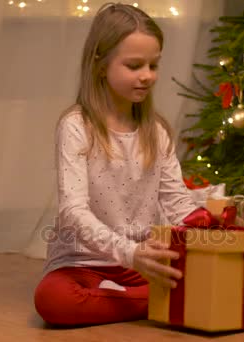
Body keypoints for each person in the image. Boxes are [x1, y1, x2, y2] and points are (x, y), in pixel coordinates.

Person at [34, 2, 199, 327]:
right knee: (53, 300)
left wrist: (207, 221)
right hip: (82, 264)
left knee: (201, 275)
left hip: (141, 264)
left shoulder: (157, 130)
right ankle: (153, 302)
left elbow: (176, 202)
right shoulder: (77, 126)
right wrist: (127, 252)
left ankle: (128, 296)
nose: (147, 76)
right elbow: (73, 211)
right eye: (134, 65)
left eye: (154, 65)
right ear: (100, 66)